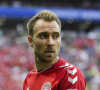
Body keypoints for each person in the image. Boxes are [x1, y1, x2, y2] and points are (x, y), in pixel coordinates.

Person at [23, 10, 86, 90]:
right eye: (43, 36)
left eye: (55, 36)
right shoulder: (29, 78)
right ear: (31, 41)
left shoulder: (70, 74)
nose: (50, 42)